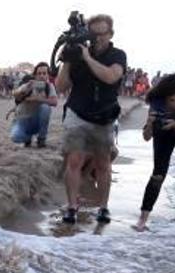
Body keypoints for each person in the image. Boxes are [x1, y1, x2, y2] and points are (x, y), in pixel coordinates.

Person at [55, 13, 127, 224]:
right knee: (74, 160)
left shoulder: (118, 55)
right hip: (77, 113)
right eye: (92, 33)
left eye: (101, 33)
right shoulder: (77, 54)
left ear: (110, 34)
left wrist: (87, 58)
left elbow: (110, 76)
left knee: (103, 163)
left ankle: (103, 207)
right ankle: (71, 207)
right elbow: (60, 87)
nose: (96, 38)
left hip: (104, 116)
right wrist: (68, 60)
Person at [134, 74, 175, 231]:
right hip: (164, 131)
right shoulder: (156, 101)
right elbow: (146, 137)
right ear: (164, 97)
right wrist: (150, 124)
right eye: (172, 100)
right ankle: (142, 220)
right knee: (158, 175)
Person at [10, 62, 57, 148]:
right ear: (35, 75)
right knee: (15, 137)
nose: (42, 76)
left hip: (37, 120)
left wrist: (38, 99)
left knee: (45, 108)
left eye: (44, 73)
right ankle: (27, 137)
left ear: (48, 75)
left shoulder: (49, 86)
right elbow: (14, 93)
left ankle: (41, 139)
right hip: (23, 120)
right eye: (39, 73)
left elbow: (54, 102)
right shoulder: (29, 85)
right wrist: (23, 91)